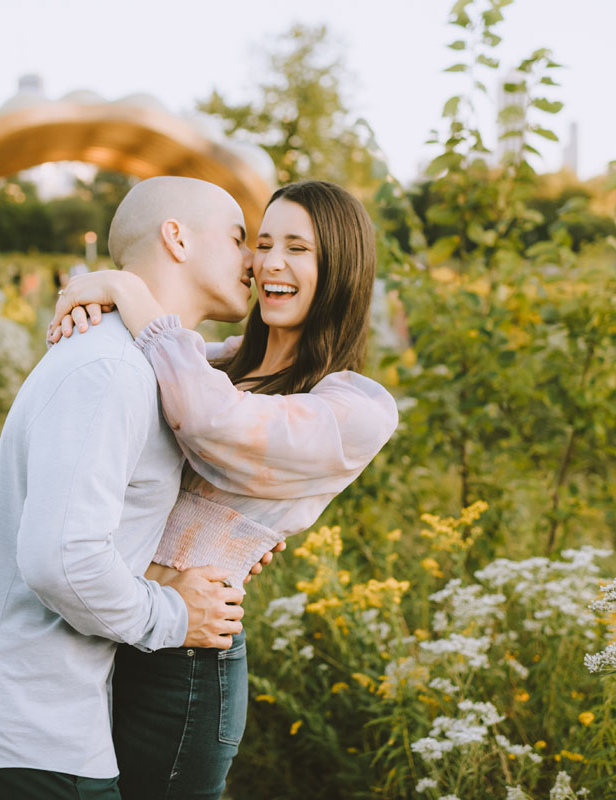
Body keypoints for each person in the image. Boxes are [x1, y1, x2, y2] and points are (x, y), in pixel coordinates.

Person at [0, 177, 266, 800]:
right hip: (13, 727)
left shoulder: (143, 360)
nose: (253, 261)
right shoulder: (109, 369)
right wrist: (176, 614)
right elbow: (61, 559)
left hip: (44, 716)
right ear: (176, 237)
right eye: (237, 238)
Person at [47, 179, 399, 799]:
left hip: (186, 663)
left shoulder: (354, 408)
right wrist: (89, 298)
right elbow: (124, 379)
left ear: (341, 268)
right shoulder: (220, 362)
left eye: (299, 248)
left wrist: (127, 288)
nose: (270, 264)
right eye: (262, 243)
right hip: (119, 627)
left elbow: (212, 421)